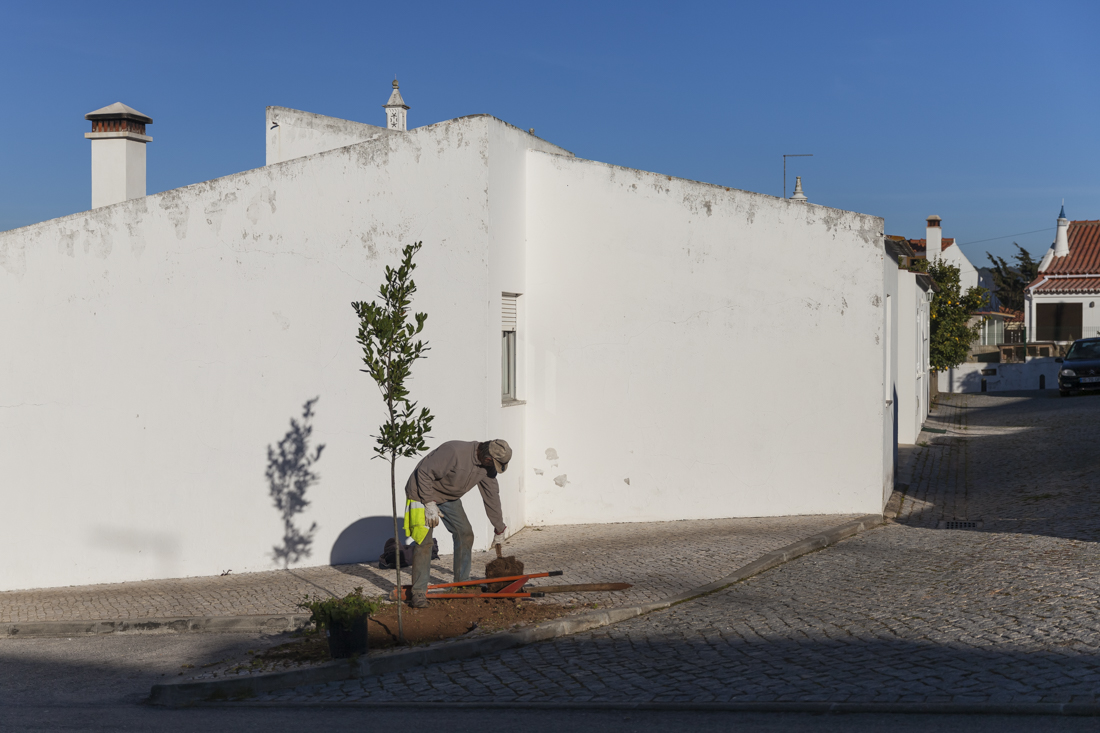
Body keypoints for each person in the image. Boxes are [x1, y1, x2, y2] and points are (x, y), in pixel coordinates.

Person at [403, 439, 511, 607]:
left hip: (448, 498)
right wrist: (429, 503)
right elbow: (423, 472)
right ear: (487, 456)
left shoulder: (487, 468)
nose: (493, 467)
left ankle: (461, 585)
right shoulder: (454, 451)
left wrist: (499, 527)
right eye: (493, 463)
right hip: (420, 493)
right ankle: (418, 593)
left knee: (465, 534)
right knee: (424, 542)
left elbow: (492, 496)